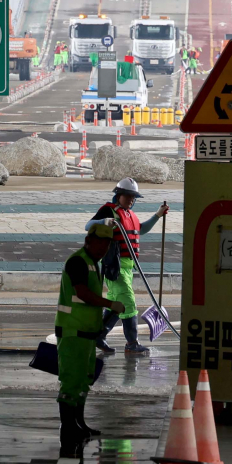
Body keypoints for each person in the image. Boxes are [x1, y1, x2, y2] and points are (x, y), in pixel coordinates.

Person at [55, 223, 125, 446]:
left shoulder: (94, 263)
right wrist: (110, 303)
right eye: (100, 243)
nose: (103, 249)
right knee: (71, 382)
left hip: (86, 333)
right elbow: (83, 294)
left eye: (107, 245)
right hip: (72, 331)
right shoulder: (78, 261)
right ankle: (68, 428)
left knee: (84, 380)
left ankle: (79, 424)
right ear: (88, 241)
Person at [86, 178, 169, 356]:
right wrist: (103, 222)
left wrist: (158, 215)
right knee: (128, 302)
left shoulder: (130, 215)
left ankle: (98, 336)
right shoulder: (108, 210)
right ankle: (132, 343)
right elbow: (88, 226)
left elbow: (141, 229)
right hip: (114, 266)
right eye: (128, 196)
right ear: (119, 195)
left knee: (116, 304)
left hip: (128, 267)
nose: (131, 200)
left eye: (134, 197)